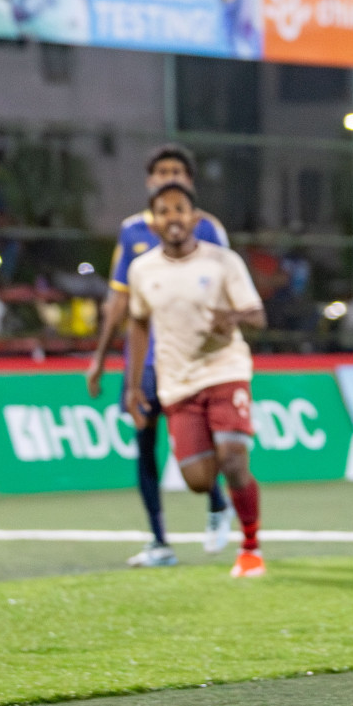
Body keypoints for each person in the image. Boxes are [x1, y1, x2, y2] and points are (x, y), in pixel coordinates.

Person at [87, 145, 235, 567]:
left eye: (178, 171)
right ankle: (159, 542)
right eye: (162, 171)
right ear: (150, 182)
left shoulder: (209, 230)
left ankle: (217, 503)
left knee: (198, 440)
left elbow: (229, 289)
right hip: (150, 361)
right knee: (145, 442)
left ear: (190, 181)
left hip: (195, 359)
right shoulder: (132, 232)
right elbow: (118, 301)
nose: (170, 177)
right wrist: (99, 358)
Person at [125, 181, 268, 579]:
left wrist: (233, 318)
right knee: (199, 480)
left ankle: (251, 548)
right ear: (153, 223)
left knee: (234, 461)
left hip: (225, 370)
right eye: (164, 211)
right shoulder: (142, 270)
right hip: (178, 383)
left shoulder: (223, 262)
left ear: (195, 218)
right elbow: (137, 324)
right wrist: (135, 386)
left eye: (180, 209)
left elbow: (257, 315)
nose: (173, 217)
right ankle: (219, 503)